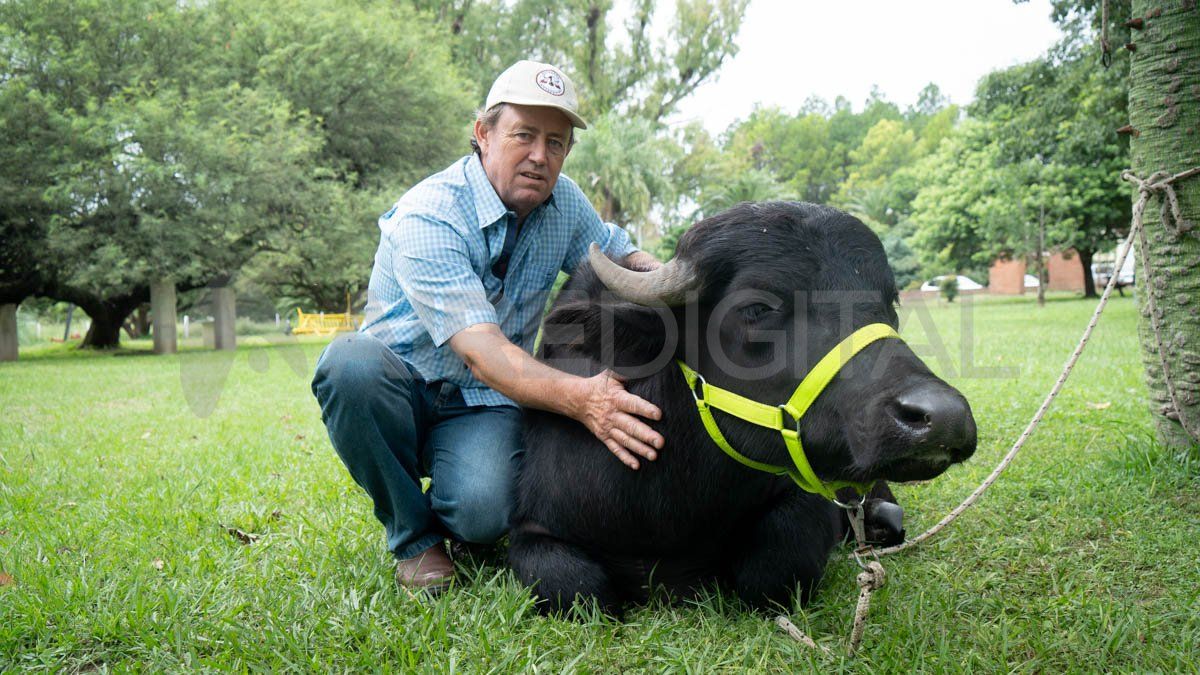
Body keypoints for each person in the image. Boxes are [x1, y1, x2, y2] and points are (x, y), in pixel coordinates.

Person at [311, 60, 664, 594]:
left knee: (484, 514)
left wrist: (686, 279)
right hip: (401, 390)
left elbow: (617, 255)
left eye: (557, 142)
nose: (540, 156)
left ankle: (458, 509)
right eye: (523, 135)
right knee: (348, 366)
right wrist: (586, 399)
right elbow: (482, 351)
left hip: (484, 402)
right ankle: (414, 538)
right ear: (484, 133)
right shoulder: (431, 213)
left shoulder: (562, 202)